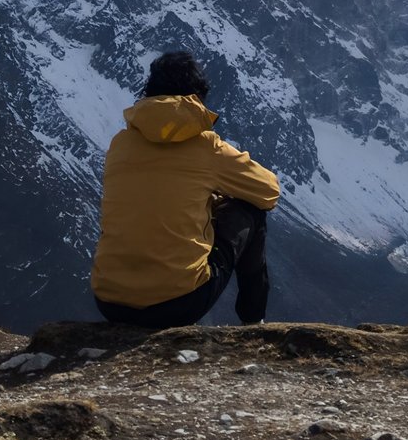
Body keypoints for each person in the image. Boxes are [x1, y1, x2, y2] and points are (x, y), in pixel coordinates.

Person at [90, 51, 281, 328]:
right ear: (196, 97)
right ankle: (253, 322)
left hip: (110, 302)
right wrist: (217, 197)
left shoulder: (120, 144)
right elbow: (268, 191)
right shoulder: (206, 146)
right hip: (177, 303)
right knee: (251, 211)